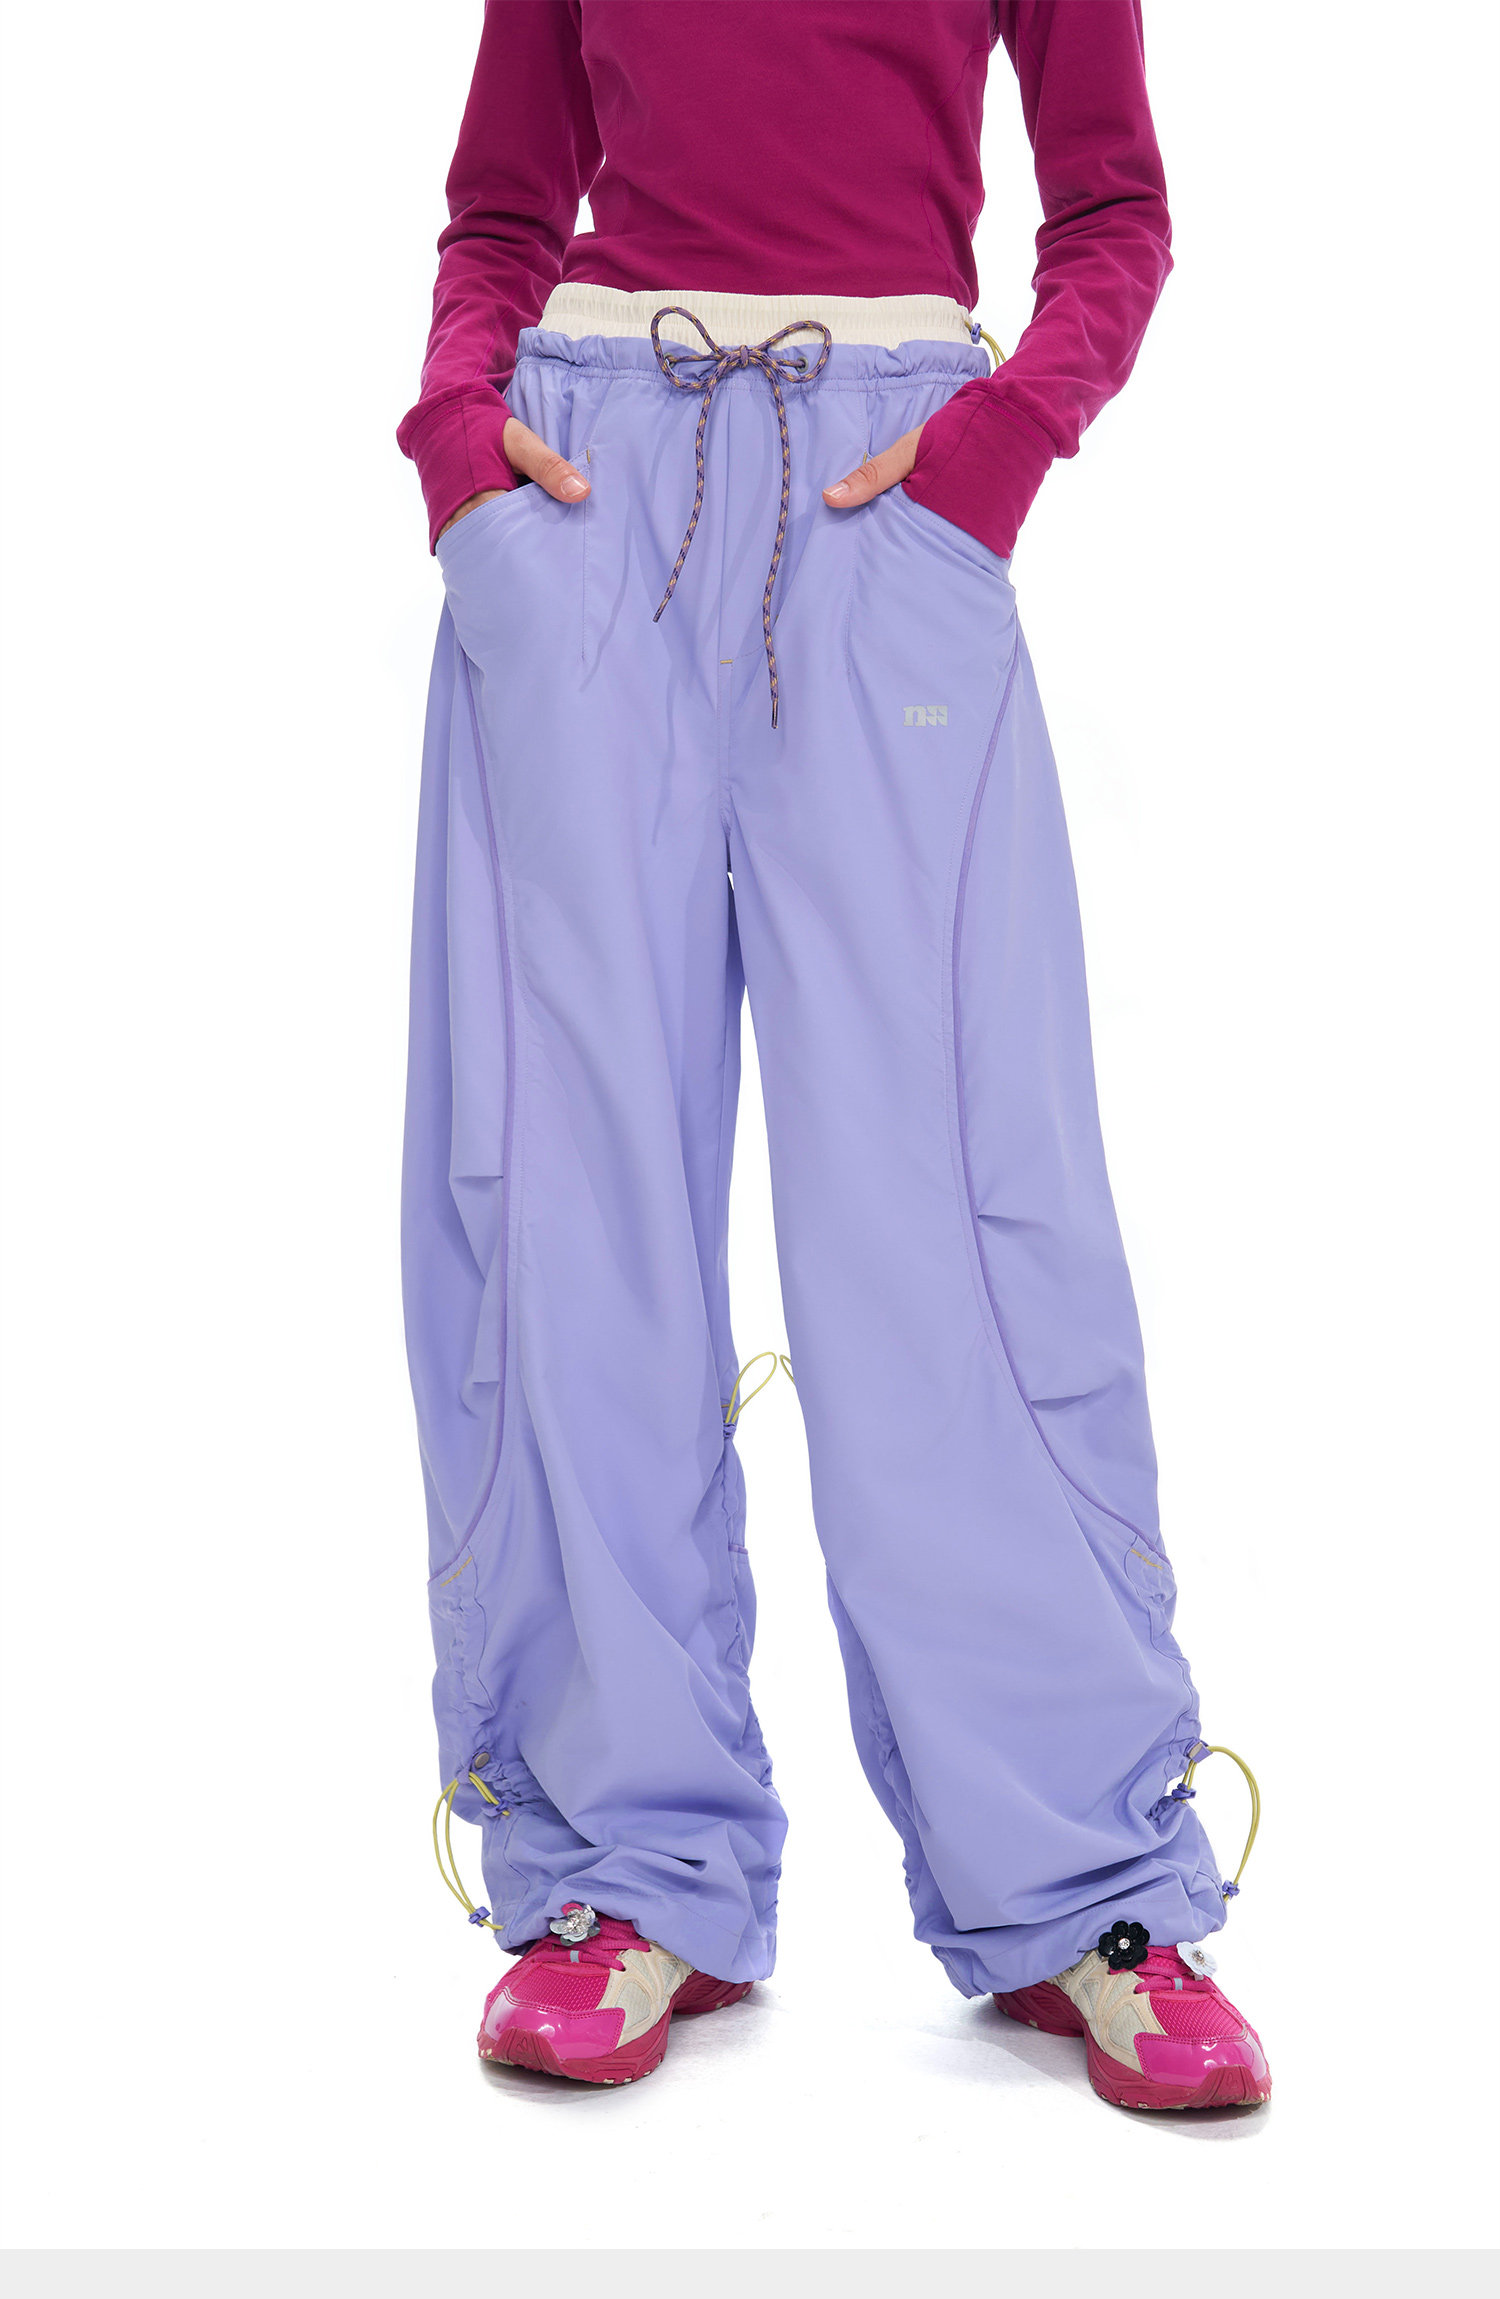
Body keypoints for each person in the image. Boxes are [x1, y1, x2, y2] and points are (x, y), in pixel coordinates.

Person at [400, 0, 1270, 2110]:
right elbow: (502, 203)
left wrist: (1000, 445)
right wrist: (458, 442)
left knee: (960, 1209)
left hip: (893, 497)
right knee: (567, 1201)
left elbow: (1115, 208)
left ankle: (1086, 1881)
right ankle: (627, 1872)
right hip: (581, 490)